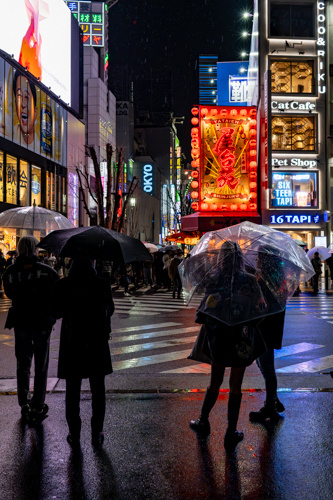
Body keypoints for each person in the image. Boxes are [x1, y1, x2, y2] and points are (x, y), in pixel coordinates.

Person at [189, 242, 266, 449]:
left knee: (215, 382)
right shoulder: (250, 281)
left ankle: (203, 420)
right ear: (240, 258)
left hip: (219, 339)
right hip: (241, 339)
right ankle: (231, 431)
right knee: (235, 386)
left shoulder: (213, 280)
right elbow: (260, 311)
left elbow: (204, 312)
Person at [52, 258, 114, 447]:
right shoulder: (102, 283)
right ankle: (97, 431)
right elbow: (109, 309)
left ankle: (74, 432)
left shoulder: (64, 284)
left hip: (73, 342)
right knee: (98, 389)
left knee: (72, 390)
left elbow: (56, 312)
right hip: (96, 340)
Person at [3, 236, 59, 424]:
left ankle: (24, 401)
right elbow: (55, 297)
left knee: (23, 363)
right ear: (35, 250)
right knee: (41, 364)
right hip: (42, 323)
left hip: (21, 322)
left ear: (18, 250)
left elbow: (9, 293)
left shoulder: (10, 272)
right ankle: (38, 401)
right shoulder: (48, 272)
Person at [248, 246, 286, 422]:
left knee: (267, 367)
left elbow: (263, 305)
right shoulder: (276, 277)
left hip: (265, 328)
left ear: (265, 259)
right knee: (264, 365)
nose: (256, 260)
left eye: (259, 257)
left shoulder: (267, 279)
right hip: (269, 327)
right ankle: (273, 398)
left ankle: (270, 405)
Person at [13, 70, 38, 147]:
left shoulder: (40, 147)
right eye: (19, 96)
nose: (23, 104)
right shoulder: (9, 133)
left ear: (35, 111)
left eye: (27, 97)